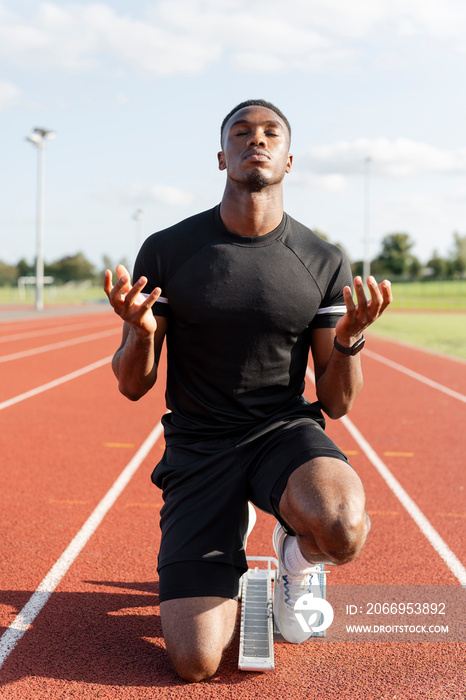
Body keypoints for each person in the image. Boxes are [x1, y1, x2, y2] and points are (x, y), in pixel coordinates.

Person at [104, 99, 392, 683]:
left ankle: (293, 556)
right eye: (241, 133)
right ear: (221, 157)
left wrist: (351, 339)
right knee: (194, 663)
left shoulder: (321, 258)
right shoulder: (167, 250)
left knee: (342, 528)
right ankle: (224, 530)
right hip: (200, 446)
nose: (255, 140)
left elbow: (336, 403)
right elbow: (134, 386)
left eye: (270, 133)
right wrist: (138, 332)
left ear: (289, 160)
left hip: (281, 434)